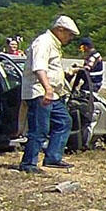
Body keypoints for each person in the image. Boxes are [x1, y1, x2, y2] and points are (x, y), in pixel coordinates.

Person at [18, 16, 78, 173]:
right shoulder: (43, 42)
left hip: (52, 94)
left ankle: (53, 157)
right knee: (39, 129)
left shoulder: (54, 44)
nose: (70, 38)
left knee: (64, 122)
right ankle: (28, 164)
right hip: (40, 91)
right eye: (69, 34)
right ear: (60, 30)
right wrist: (48, 88)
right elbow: (39, 67)